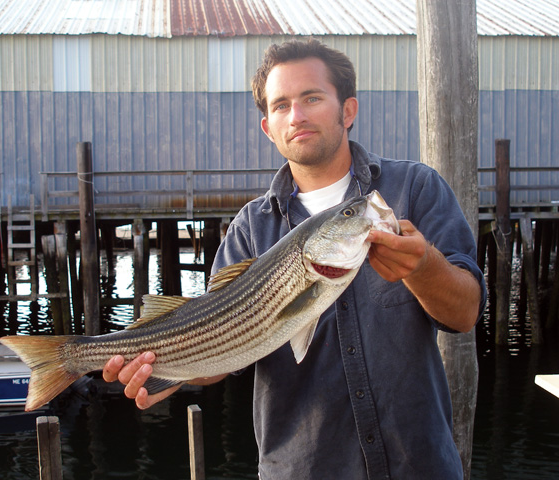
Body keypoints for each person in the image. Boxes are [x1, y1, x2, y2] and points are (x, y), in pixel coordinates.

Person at [104, 39, 486, 479]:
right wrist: (164, 369)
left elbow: (465, 313)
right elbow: (221, 342)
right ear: (269, 128)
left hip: (418, 466)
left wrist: (424, 268)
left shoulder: (414, 189)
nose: (297, 116)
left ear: (347, 111)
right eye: (282, 105)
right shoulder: (250, 228)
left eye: (312, 98)